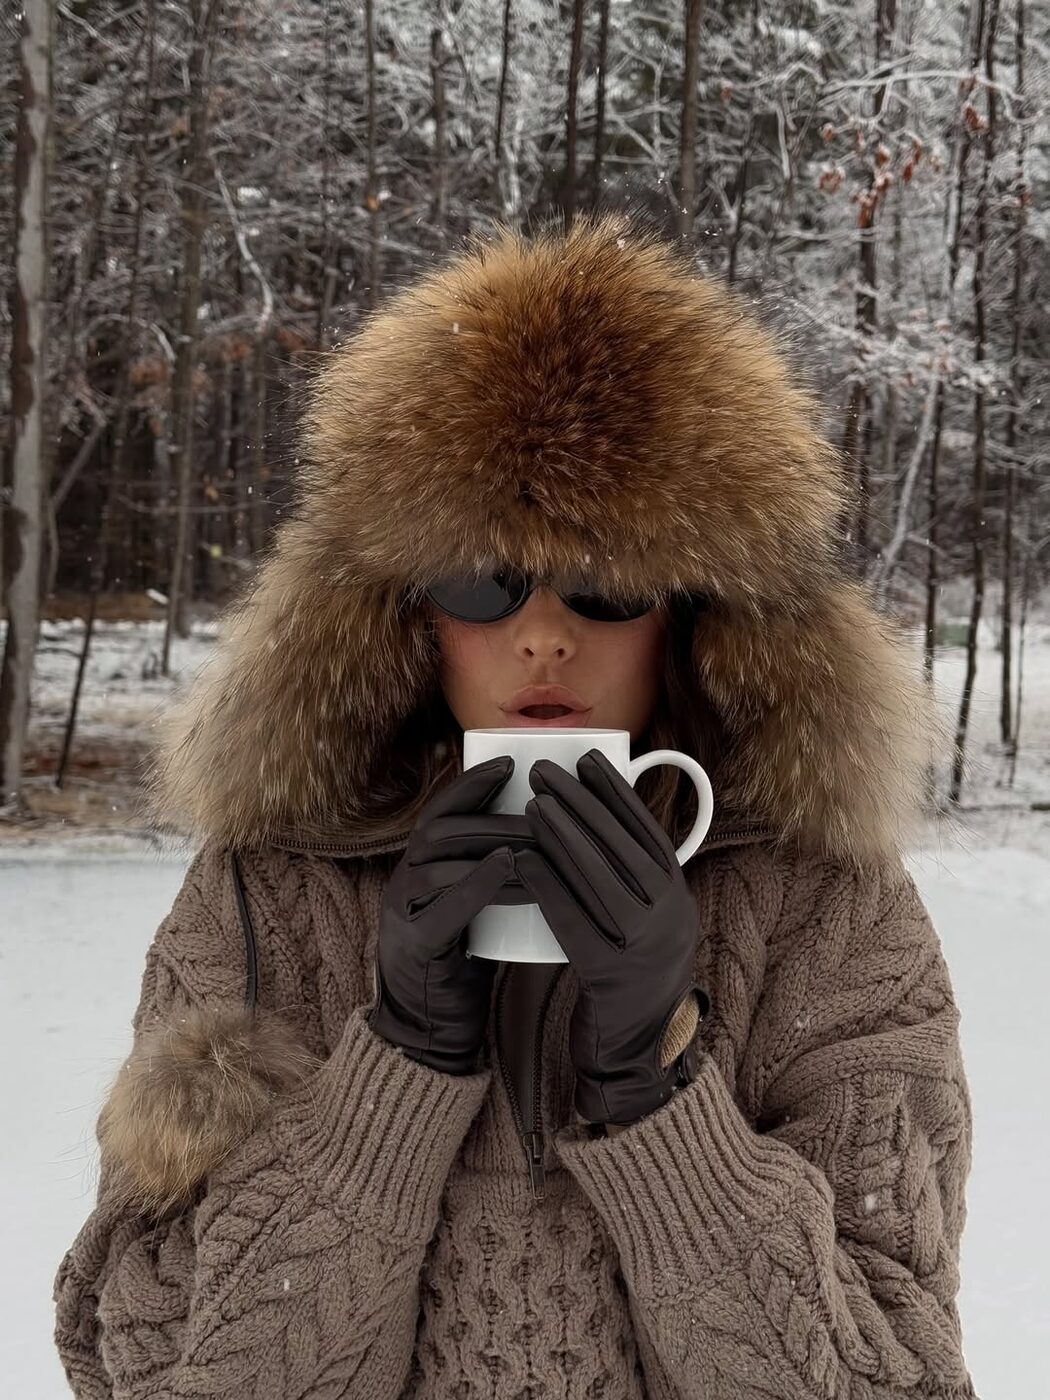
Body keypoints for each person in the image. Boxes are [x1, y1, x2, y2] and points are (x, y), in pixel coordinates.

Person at [53, 217, 977, 1399]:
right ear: (406, 613)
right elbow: (145, 1360)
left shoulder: (827, 906)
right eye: (483, 581)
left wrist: (655, 1090)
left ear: (691, 613)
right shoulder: (270, 890)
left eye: (604, 583)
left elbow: (900, 1377)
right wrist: (395, 1064)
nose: (544, 633)